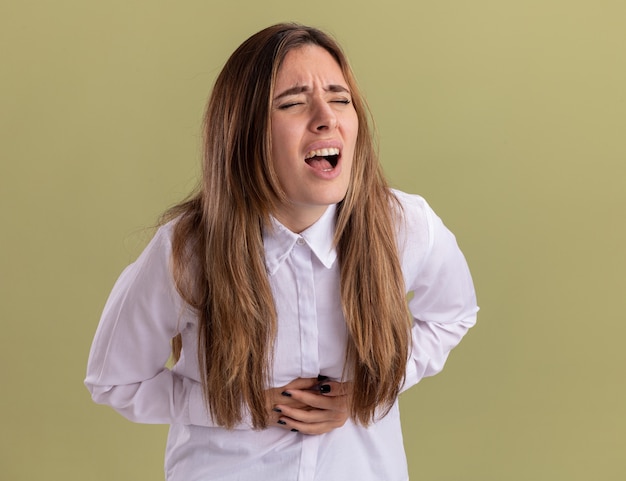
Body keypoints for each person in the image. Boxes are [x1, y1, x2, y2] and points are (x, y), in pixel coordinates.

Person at [85, 23, 478, 481]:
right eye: (292, 102)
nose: (325, 117)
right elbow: (115, 380)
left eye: (340, 98)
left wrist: (371, 390)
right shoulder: (188, 251)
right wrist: (236, 406)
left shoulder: (404, 227)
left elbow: (454, 315)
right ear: (243, 133)